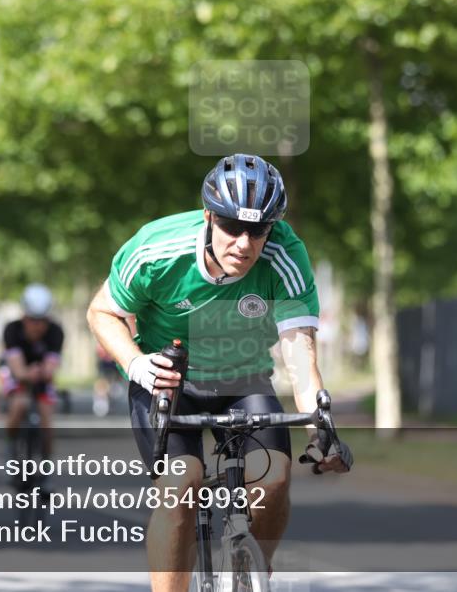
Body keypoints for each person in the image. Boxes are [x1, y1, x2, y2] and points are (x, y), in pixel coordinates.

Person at [87, 153, 352, 592]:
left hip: (243, 377)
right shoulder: (156, 249)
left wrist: (319, 433)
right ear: (208, 215)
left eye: (258, 231)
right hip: (168, 378)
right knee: (180, 485)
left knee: (275, 476)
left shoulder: (286, 256)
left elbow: (300, 356)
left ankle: (254, 571)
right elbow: (101, 312)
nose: (245, 244)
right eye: (232, 227)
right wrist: (136, 364)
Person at [0, 283, 64, 462]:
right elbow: (17, 370)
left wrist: (44, 372)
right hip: (16, 372)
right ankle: (10, 446)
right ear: (24, 316)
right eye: (32, 320)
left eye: (42, 320)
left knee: (46, 420)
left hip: (40, 375)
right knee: (20, 405)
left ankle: (45, 467)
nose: (37, 326)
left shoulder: (55, 332)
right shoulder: (12, 330)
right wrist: (27, 374)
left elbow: (50, 367)